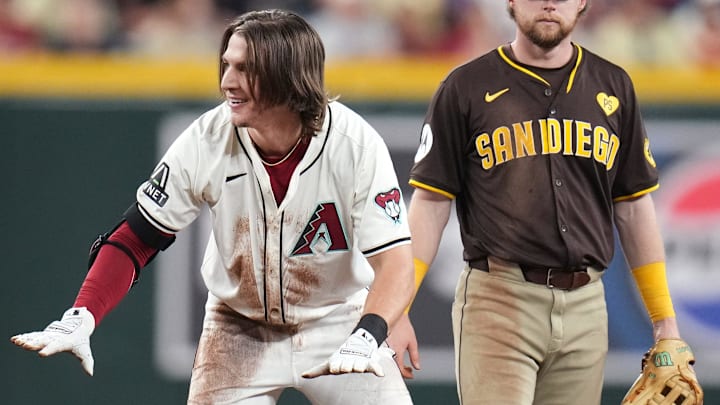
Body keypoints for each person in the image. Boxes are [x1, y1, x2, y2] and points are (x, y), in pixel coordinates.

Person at [11, 9, 415, 405]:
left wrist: (369, 334)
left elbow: (396, 265)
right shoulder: (208, 137)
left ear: (287, 76)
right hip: (237, 328)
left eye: (244, 69)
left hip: (338, 319)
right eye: (226, 65)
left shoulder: (354, 145)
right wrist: (84, 313)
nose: (227, 82)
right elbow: (136, 237)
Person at [401, 0, 701, 404]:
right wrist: (398, 309)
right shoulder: (465, 86)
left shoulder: (613, 85)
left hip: (586, 304)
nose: (548, 3)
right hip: (499, 300)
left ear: (581, 3)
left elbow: (633, 207)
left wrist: (666, 322)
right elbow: (431, 204)